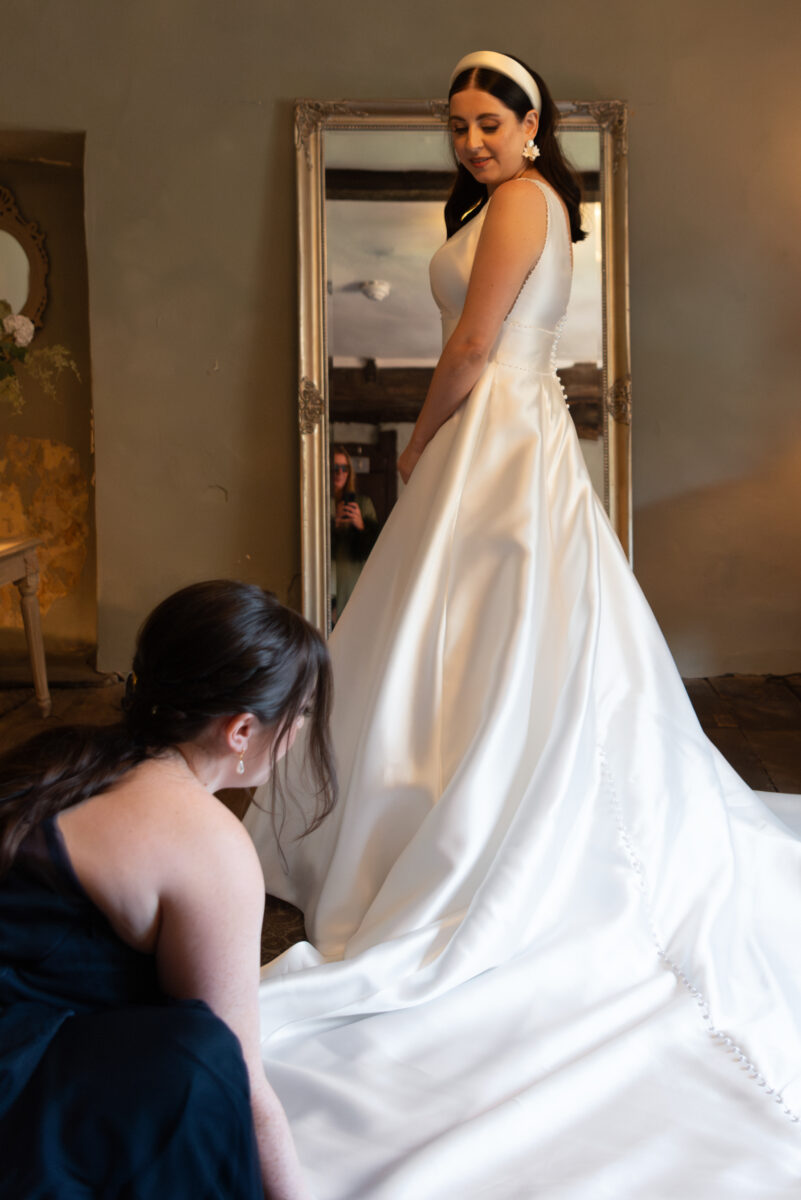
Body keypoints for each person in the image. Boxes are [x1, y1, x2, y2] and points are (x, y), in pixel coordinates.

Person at [246, 52, 801, 1199]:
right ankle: (450, 793)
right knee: (473, 635)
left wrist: (417, 442)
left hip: (495, 438)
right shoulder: (527, 201)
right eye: (458, 128)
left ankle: (470, 812)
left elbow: (472, 345)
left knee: (478, 626)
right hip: (514, 439)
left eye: (490, 123)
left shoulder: (518, 202)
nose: (473, 142)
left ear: (535, 125)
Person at [0, 579, 335, 1200]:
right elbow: (241, 1080)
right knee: (199, 1064)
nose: (299, 731)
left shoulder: (68, 756)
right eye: (301, 711)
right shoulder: (208, 843)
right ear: (240, 731)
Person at [330, 445, 379, 622]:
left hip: (354, 580)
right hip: (328, 580)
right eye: (335, 468)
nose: (340, 473)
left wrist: (361, 526)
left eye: (345, 468)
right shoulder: (319, 502)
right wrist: (332, 526)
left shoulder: (363, 504)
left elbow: (376, 550)